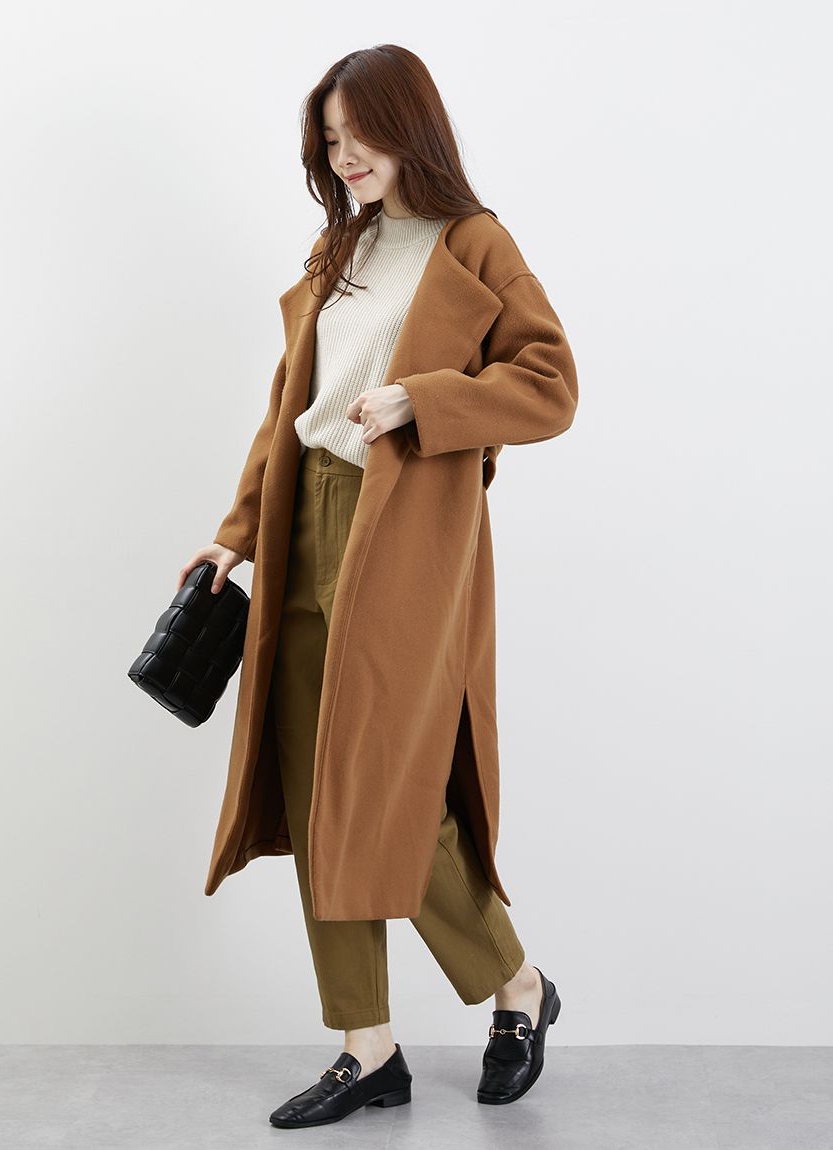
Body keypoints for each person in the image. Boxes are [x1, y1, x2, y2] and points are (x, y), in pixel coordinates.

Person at [178, 44, 576, 1128]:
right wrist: (234, 536)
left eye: (360, 133)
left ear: (412, 126)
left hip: (404, 533)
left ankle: (517, 984)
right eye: (330, 138)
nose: (343, 155)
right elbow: (288, 407)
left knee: (391, 790)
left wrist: (424, 400)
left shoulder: (474, 240)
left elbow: (550, 383)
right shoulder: (339, 246)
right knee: (318, 788)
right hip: (305, 520)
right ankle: (368, 1045)